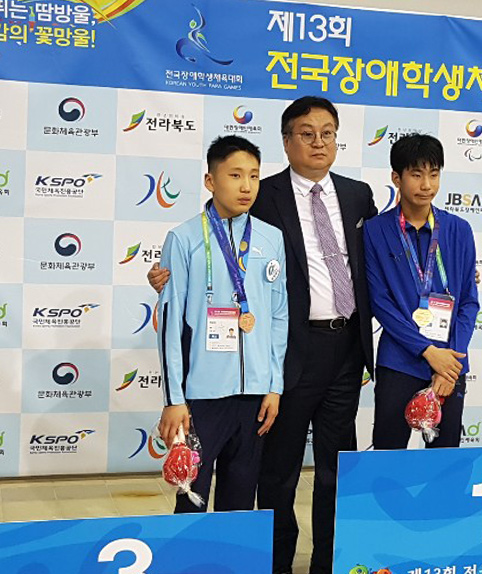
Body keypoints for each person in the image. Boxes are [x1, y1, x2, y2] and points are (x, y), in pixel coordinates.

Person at [149, 96, 376, 574]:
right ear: (287, 141)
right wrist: (166, 278)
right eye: (307, 133)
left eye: (328, 133)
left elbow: (376, 261)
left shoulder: (359, 195)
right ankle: (272, 563)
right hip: (289, 355)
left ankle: (328, 563)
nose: (319, 142)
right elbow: (206, 275)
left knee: (335, 469)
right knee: (274, 472)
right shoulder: (265, 197)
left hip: (343, 351)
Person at [156, 135, 288, 513]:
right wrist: (174, 400)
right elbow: (170, 325)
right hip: (201, 398)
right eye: (235, 175)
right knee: (191, 498)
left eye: (254, 176)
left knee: (240, 502)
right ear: (210, 181)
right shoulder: (183, 239)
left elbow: (278, 317)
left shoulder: (271, 238)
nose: (246, 186)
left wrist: (274, 386)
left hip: (255, 397)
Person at [364, 134, 479, 449]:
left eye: (433, 174)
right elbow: (381, 302)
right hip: (399, 361)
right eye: (416, 175)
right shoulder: (375, 230)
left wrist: (450, 361)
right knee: (389, 455)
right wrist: (428, 352)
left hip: (451, 362)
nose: (426, 184)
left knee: (444, 461)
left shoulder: (459, 230)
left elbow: (469, 301)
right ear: (396, 178)